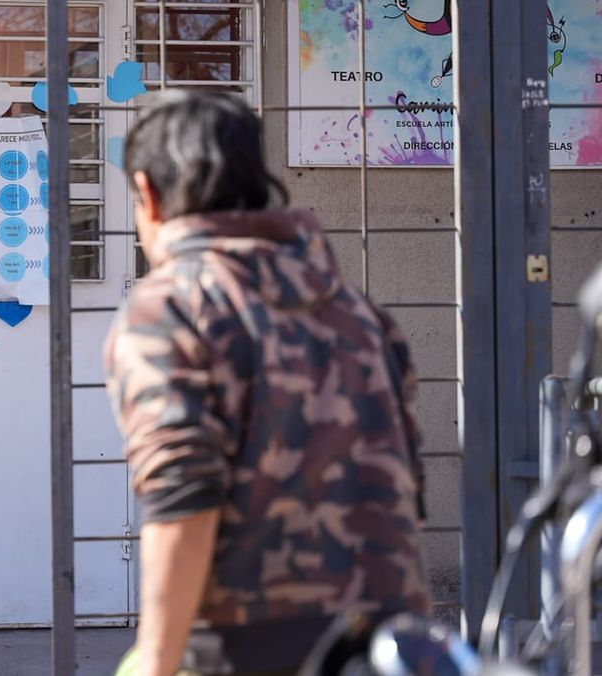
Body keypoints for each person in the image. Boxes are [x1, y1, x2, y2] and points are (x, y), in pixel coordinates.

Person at [104, 92, 430, 675]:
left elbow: (184, 492)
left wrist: (156, 660)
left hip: (248, 647)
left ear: (148, 195)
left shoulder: (170, 307)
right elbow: (406, 479)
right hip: (389, 640)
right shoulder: (358, 310)